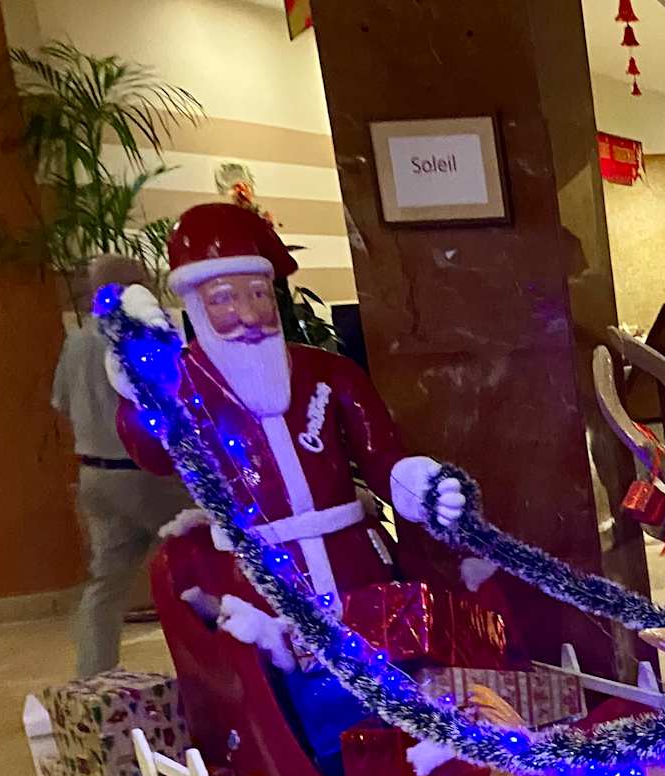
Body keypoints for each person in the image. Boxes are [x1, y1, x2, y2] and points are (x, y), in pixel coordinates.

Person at [110, 204, 457, 614]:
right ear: (197, 307)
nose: (249, 314)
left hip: (355, 566)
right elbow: (155, 456)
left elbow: (380, 455)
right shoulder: (181, 385)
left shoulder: (330, 372)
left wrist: (415, 482)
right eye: (224, 298)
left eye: (259, 293)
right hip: (256, 583)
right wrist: (139, 391)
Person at [53, 253, 189, 676]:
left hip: (94, 475)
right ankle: (210, 666)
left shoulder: (77, 341)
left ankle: (94, 676)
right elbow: (174, 401)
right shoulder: (141, 335)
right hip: (147, 474)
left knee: (106, 583)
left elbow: (61, 403)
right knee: (203, 558)